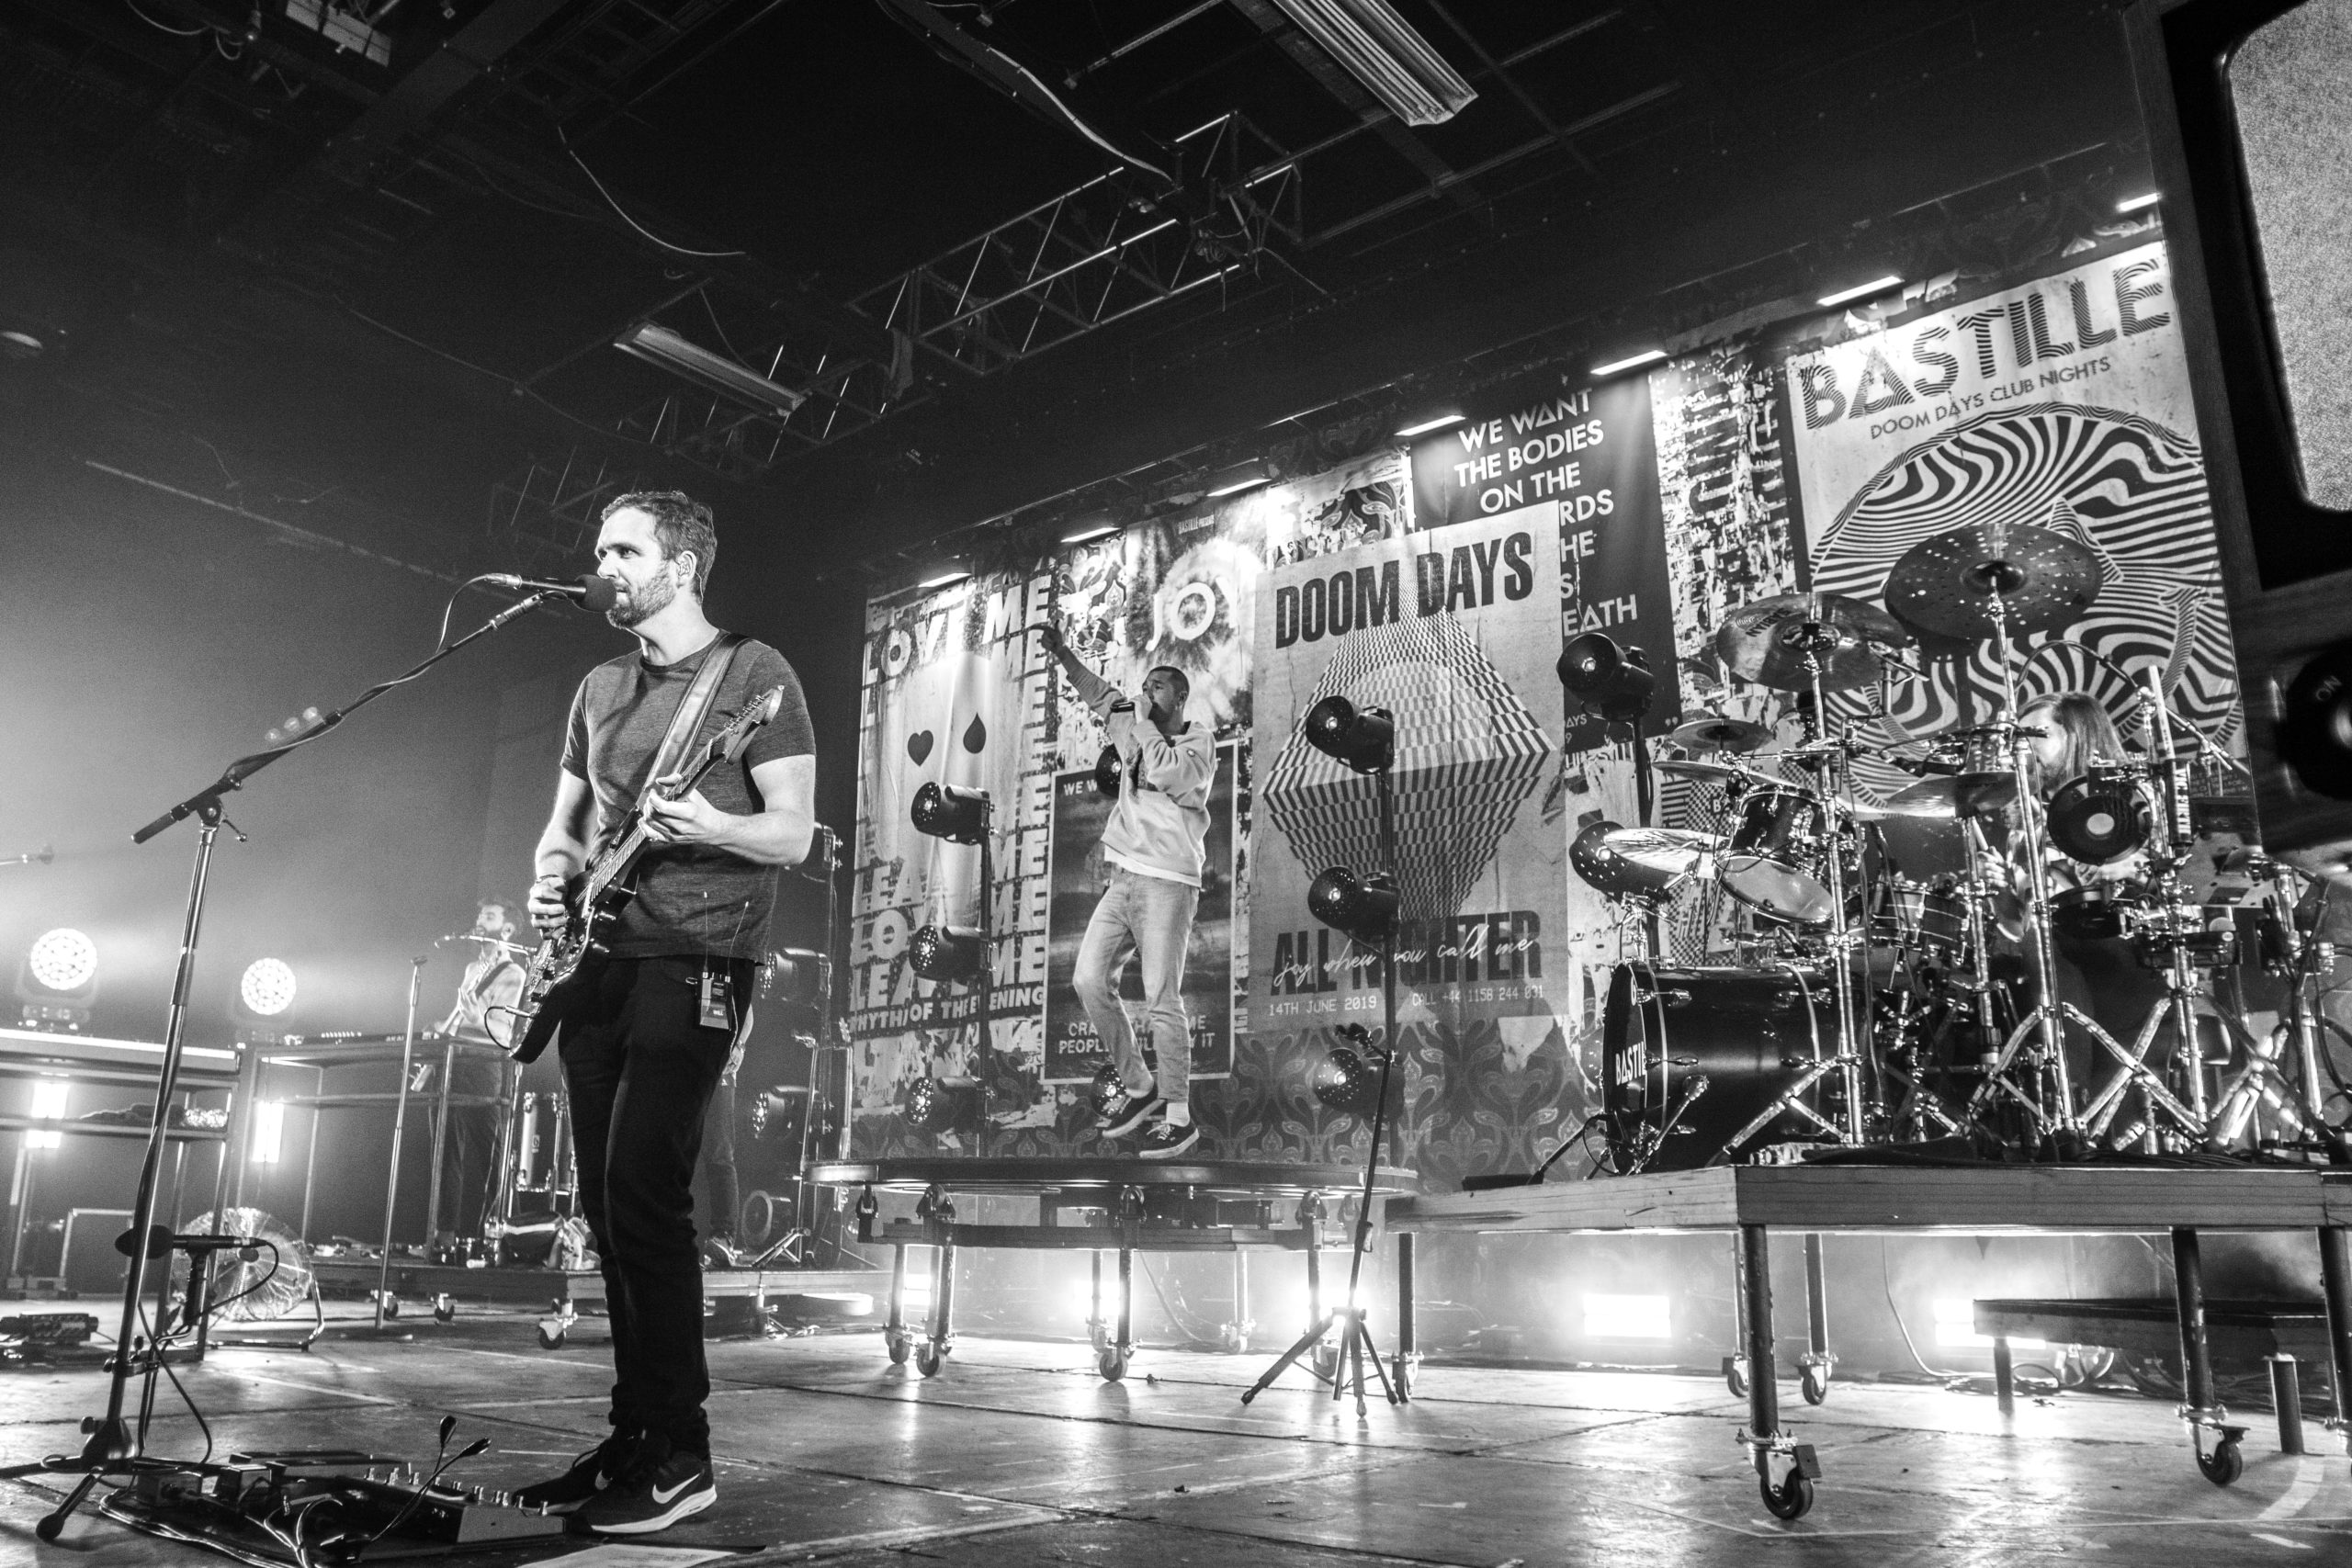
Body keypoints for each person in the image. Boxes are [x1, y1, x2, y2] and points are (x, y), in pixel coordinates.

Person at [514, 491, 814, 1535]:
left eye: (624, 550)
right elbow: (566, 826)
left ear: (681, 568)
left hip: (696, 959)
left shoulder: (753, 675)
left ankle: (684, 1453)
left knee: (645, 1191)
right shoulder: (598, 686)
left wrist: (709, 825)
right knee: (605, 1208)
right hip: (593, 963)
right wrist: (551, 875)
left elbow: (793, 835)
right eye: (599, 547)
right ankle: (633, 1439)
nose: (602, 563)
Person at [1032, 623, 1216, 1158]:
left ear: (1179, 697)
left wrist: (1140, 726)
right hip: (1125, 877)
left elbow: (1165, 772)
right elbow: (1098, 693)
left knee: (1161, 996)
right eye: (1145, 684)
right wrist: (1064, 654)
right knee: (1088, 979)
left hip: (1170, 882)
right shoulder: (1132, 722)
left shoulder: (1197, 743)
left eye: (1158, 686)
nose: (1146, 691)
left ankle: (1179, 1116)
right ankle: (1140, 1086)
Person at [427, 897, 526, 1259]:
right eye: (480, 914)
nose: (480, 920)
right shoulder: (472, 968)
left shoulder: (513, 974)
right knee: (445, 1154)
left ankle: (499, 1236)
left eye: (489, 916)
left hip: (484, 1067)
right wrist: (441, 1027)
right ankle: (444, 1236)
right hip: (454, 1061)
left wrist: (477, 1015)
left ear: (507, 929)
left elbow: (504, 1033)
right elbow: (462, 1017)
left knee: (491, 1157)